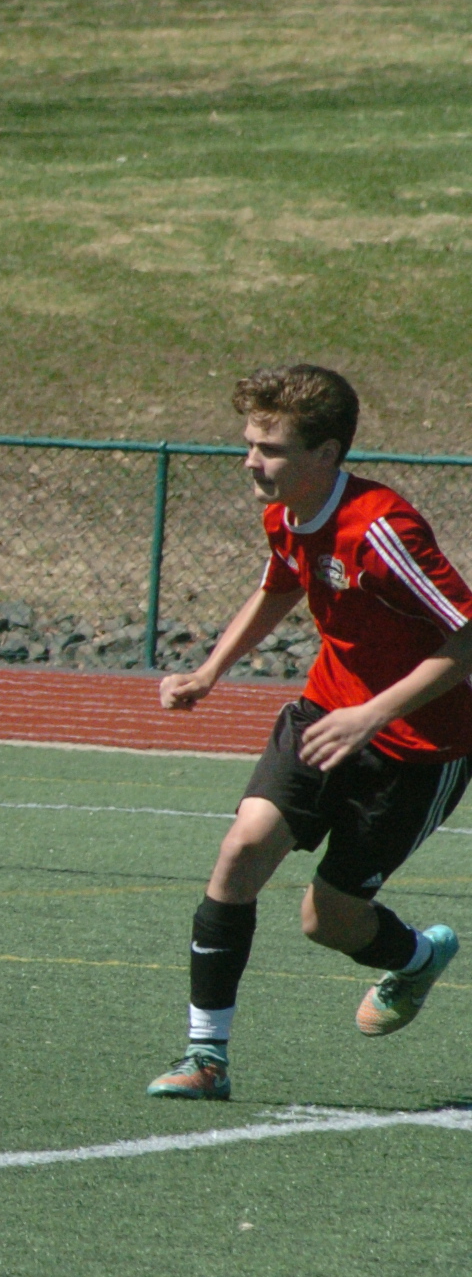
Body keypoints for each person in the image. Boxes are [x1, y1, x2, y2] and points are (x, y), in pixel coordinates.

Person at [148, 364, 470, 1102]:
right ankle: (206, 1058)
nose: (251, 462)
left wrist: (374, 713)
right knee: (241, 852)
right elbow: (281, 583)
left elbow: (468, 635)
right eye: (249, 443)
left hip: (418, 748)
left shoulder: (382, 529)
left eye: (271, 448)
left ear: (325, 453)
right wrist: (211, 670)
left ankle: (418, 958)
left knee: (328, 923)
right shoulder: (287, 513)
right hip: (324, 716)